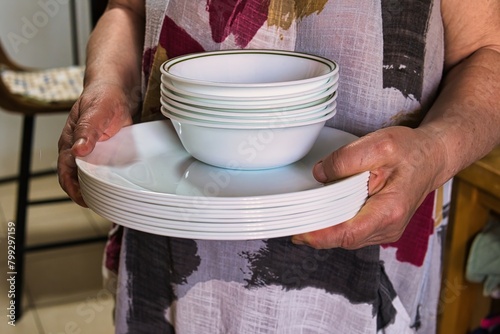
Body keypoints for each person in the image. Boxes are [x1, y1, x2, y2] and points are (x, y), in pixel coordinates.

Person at [58, 0, 500, 333]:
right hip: (167, 230)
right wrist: (107, 83)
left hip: (367, 254)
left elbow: (488, 51)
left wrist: (434, 151)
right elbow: (126, 9)